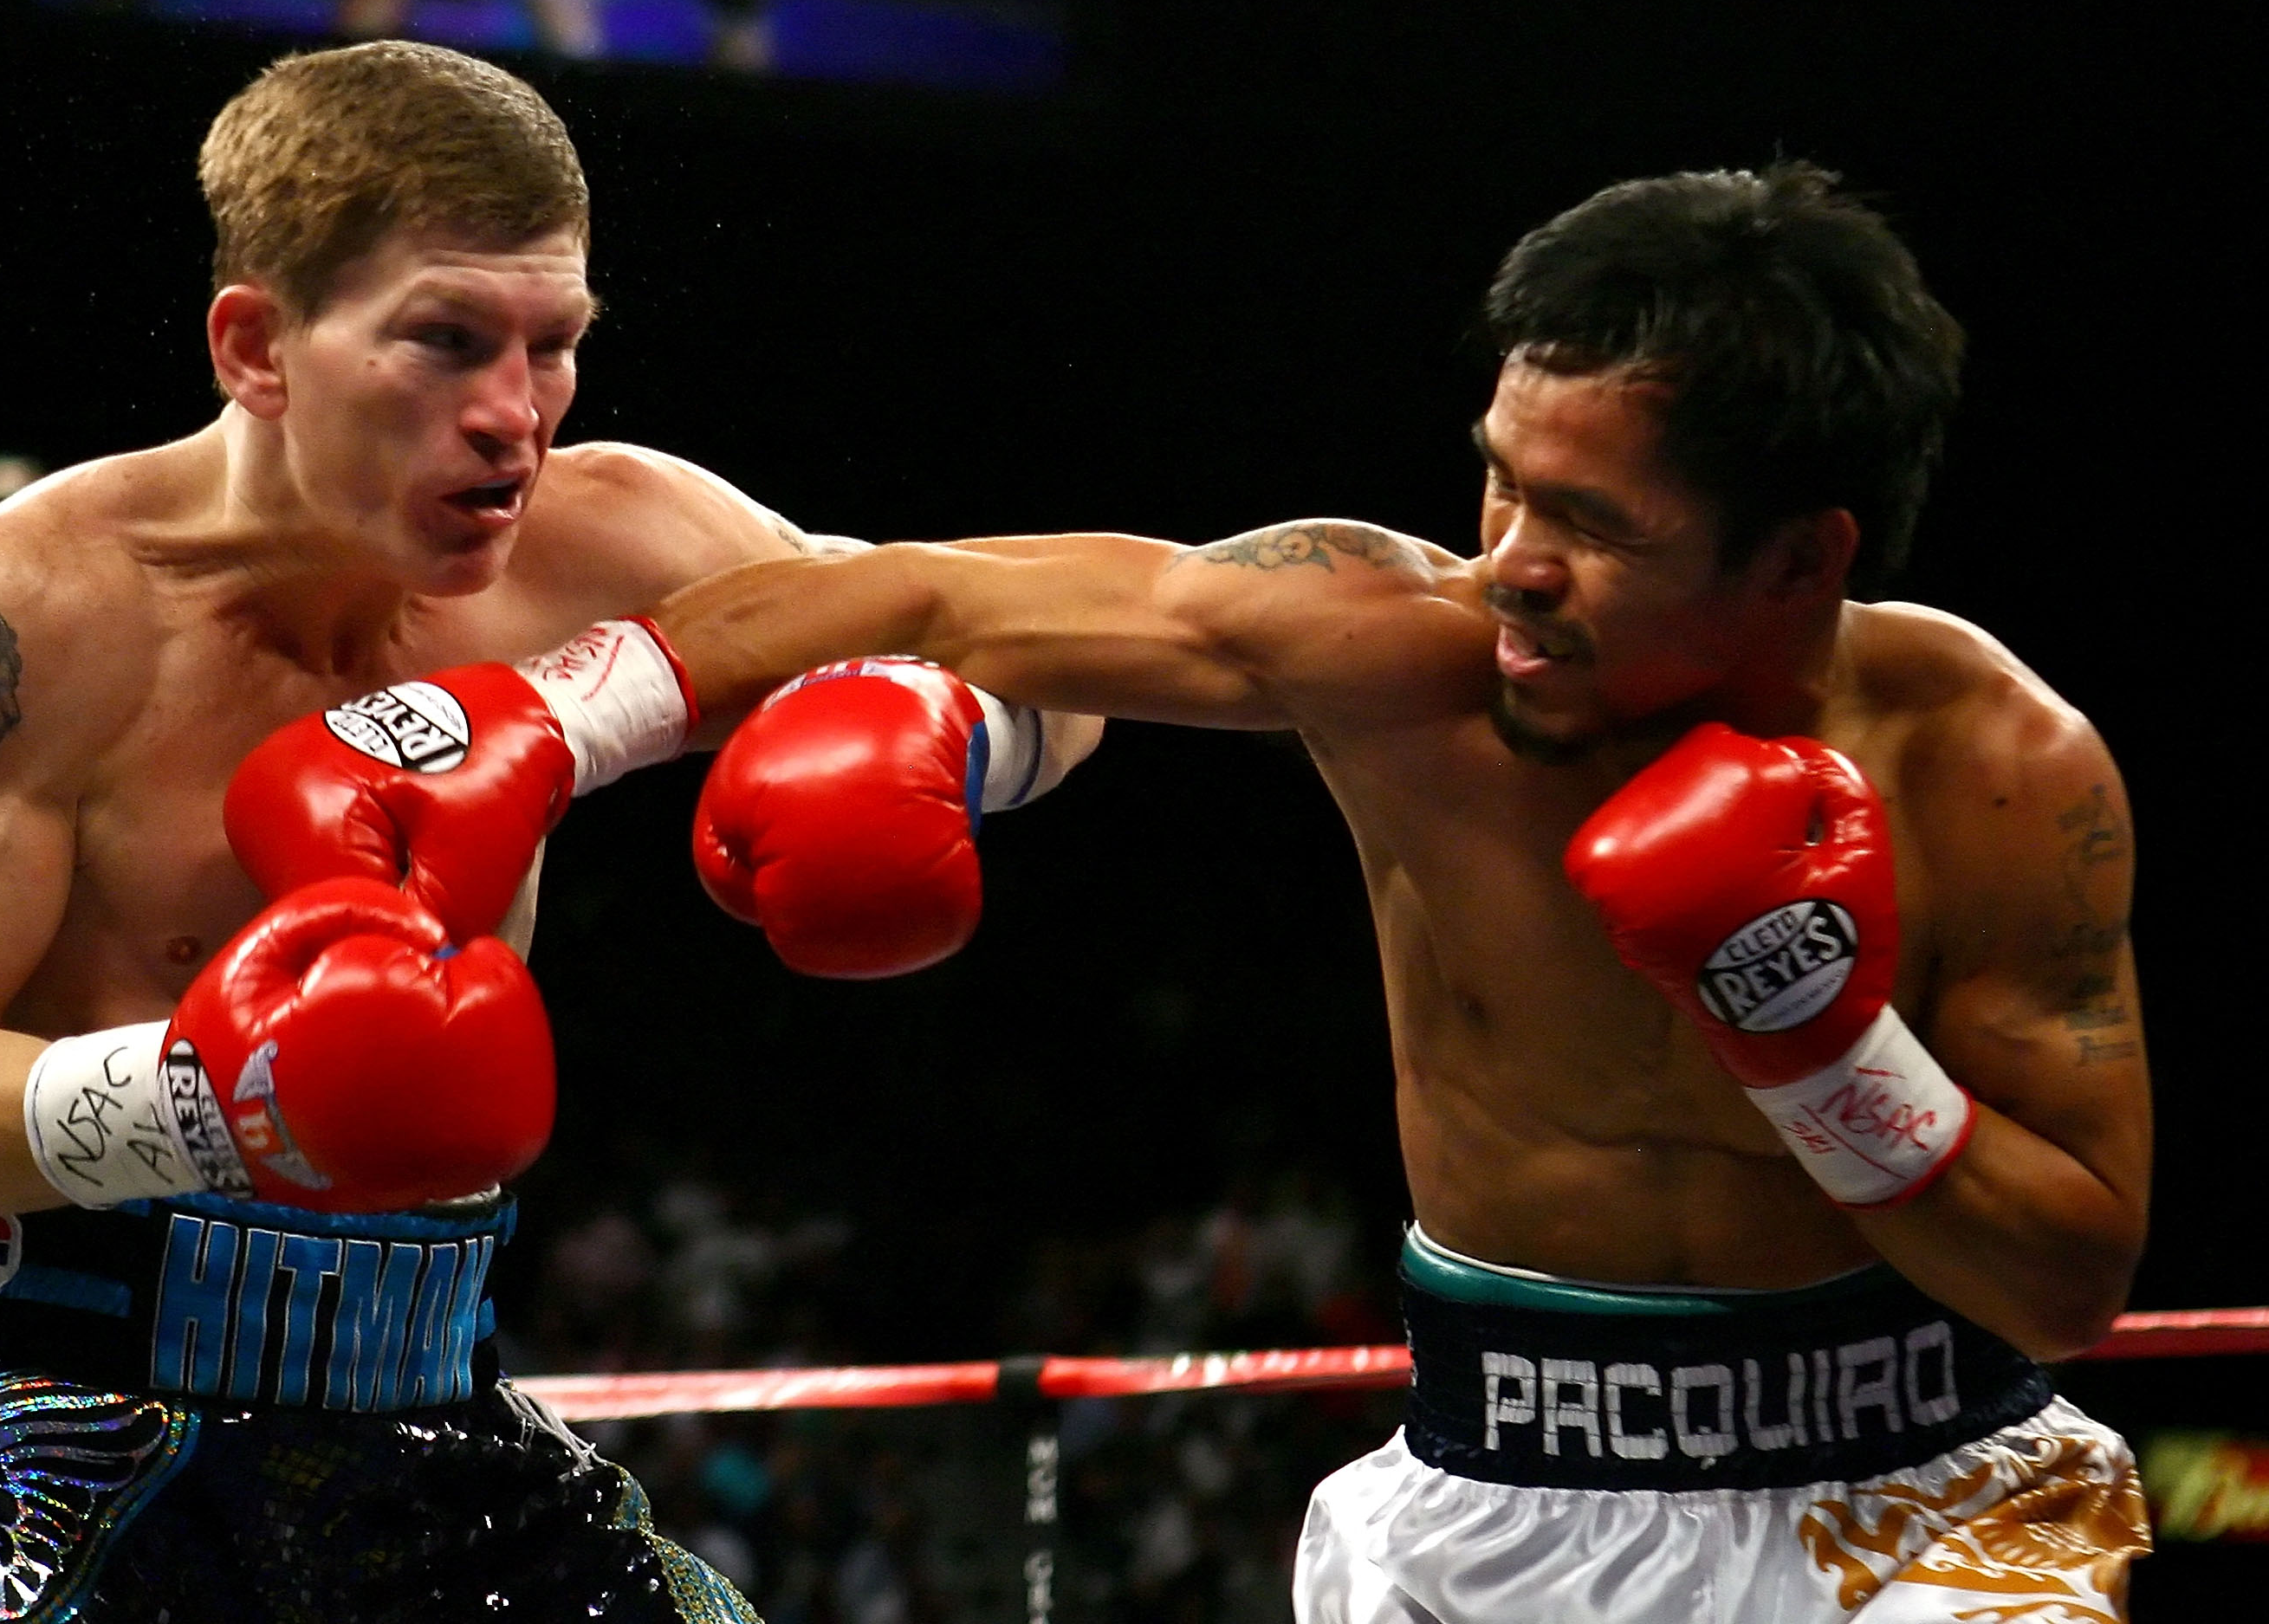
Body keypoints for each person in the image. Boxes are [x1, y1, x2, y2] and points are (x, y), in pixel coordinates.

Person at [646, 165, 2155, 1621]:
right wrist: (521, 733)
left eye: (1595, 525)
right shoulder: (1397, 660)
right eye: (1503, 481)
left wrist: (1820, 1047)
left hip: (1925, 1510)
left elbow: (2067, 1286)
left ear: (1800, 561)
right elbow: (932, 597)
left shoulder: (1995, 767)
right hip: (1492, 1502)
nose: (1514, 563)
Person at [0, 38, 1091, 1624]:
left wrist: (951, 734)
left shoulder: (617, 540)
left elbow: (1048, 650)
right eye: (447, 343)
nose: (513, 418)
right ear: (255, 345)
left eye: (554, 346)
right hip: (41, 1416)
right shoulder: (31, 615)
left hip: (435, 1430)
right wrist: (212, 1097)